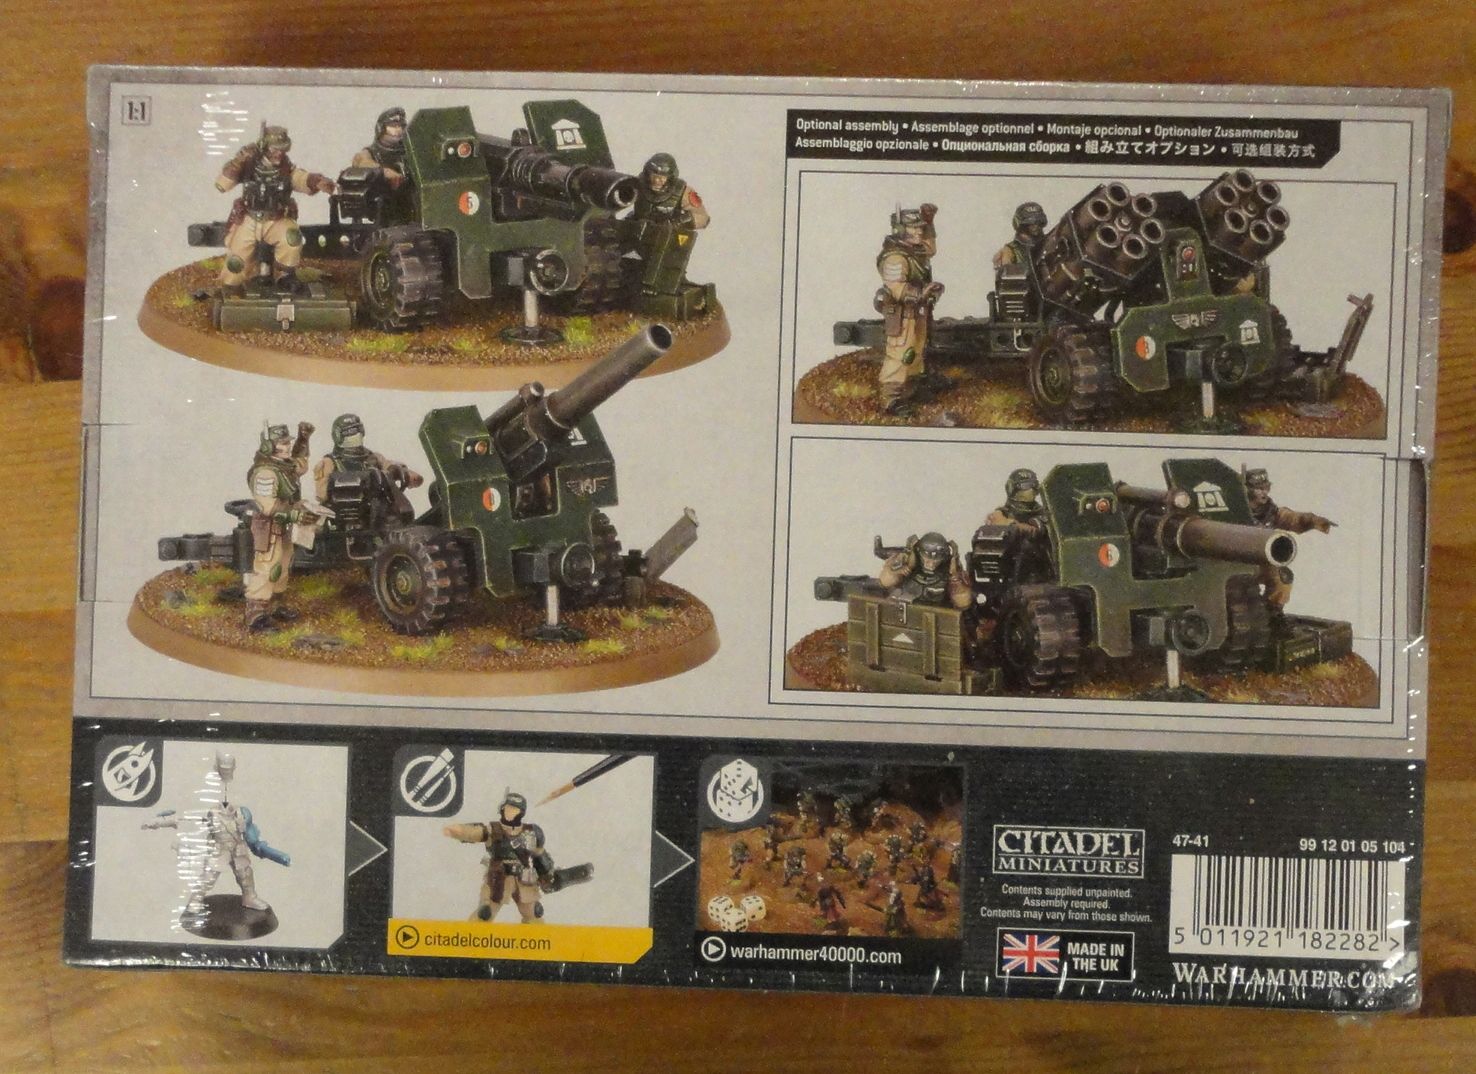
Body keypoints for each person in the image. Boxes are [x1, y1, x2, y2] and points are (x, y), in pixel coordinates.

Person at [142, 752, 290, 921]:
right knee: (208, 877)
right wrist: (157, 822)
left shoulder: (242, 813)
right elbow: (183, 817)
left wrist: (262, 848)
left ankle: (249, 897)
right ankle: (195, 901)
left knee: (245, 874)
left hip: (238, 847)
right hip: (219, 848)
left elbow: (252, 836)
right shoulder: (211, 811)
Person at [215, 124, 334, 292]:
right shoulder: (248, 167)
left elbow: (300, 178)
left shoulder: (286, 169)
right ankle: (232, 286)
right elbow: (222, 185)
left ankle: (285, 276)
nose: (279, 153)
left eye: (282, 149)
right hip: (249, 219)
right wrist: (238, 162)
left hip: (276, 219)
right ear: (264, 147)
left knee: (291, 238)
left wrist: (316, 182)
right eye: (274, 149)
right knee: (236, 259)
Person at [243, 421, 322, 632]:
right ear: (269, 446)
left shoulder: (284, 466)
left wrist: (303, 439)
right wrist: (295, 514)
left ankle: (277, 604)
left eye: (288, 442)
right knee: (268, 566)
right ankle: (256, 613)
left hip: (284, 524)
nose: (287, 447)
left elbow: (301, 463)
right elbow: (268, 506)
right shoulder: (265, 473)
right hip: (269, 527)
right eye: (282, 443)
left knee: (284, 563)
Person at [443, 791, 566, 923]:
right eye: (508, 807)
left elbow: (540, 855)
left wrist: (547, 875)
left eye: (514, 809)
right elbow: (474, 832)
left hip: (525, 879)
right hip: (499, 878)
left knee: (533, 914)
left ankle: (537, 937)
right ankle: (469, 935)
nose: (510, 811)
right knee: (485, 914)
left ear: (521, 812)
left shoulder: (532, 832)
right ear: (502, 808)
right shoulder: (493, 830)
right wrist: (458, 831)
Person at [874, 203, 944, 414]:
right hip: (902, 313)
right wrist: (922, 292)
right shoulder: (895, 256)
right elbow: (896, 288)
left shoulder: (914, 250)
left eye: (920, 227)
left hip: (918, 311)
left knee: (917, 349)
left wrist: (930, 223)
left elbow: (930, 248)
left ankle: (911, 388)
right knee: (900, 352)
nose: (919, 232)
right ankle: (891, 398)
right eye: (914, 228)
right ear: (900, 229)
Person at [1243, 468, 1335, 628]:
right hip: (1235, 565)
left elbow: (1289, 518)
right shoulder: (1236, 511)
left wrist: (1312, 520)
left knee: (1283, 577)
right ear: (1248, 490)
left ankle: (1273, 614)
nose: (1264, 492)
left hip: (1260, 563)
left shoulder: (1270, 511)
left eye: (1266, 488)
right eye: (1259, 489)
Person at [312, 413, 422, 503]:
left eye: (356, 434)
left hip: (377, 508)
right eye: (349, 436)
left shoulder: (373, 457)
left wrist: (404, 473)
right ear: (338, 436)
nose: (354, 439)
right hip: (344, 511)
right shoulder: (329, 462)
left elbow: (389, 465)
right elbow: (322, 494)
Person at [878, 532, 972, 609]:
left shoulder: (948, 571)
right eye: (927, 560)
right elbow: (885, 582)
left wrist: (954, 577)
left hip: (937, 614)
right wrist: (899, 571)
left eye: (935, 560)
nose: (931, 564)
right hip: (905, 609)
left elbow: (963, 602)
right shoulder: (908, 563)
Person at [352, 106, 408, 188]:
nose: (398, 129)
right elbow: (360, 160)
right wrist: (384, 171)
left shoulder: (409, 151)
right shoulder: (371, 152)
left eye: (401, 126)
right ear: (381, 128)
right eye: (393, 125)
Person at [992, 201, 1048, 269]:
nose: (1035, 226)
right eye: (1030, 224)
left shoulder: (1049, 244)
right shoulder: (1010, 251)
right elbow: (1007, 272)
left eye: (1038, 223)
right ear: (1022, 226)